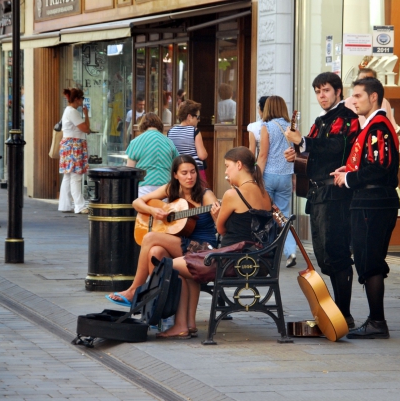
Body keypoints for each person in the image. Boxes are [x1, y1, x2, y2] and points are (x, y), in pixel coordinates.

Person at [153, 146, 272, 339]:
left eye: (227, 166)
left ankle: (180, 324)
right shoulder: (265, 194)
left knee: (170, 265)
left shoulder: (233, 195)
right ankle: (186, 324)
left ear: (239, 165)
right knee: (186, 262)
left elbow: (221, 230)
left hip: (231, 261)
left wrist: (217, 216)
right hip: (258, 261)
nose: (225, 171)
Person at [106, 155, 218, 337]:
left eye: (192, 172)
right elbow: (137, 202)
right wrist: (153, 211)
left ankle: (134, 289)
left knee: (150, 238)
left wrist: (216, 214)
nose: (189, 177)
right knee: (156, 251)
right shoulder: (170, 190)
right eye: (184, 173)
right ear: (175, 175)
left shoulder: (206, 195)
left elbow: (221, 225)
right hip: (181, 243)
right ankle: (167, 314)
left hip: (203, 247)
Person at [283, 72, 360, 329]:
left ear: (338, 91)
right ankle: (335, 312)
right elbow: (314, 151)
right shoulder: (320, 120)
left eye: (325, 90)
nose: (321, 96)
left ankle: (344, 314)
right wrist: (298, 155)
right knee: (324, 255)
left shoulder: (347, 118)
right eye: (317, 91)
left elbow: (336, 147)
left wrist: (303, 141)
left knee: (336, 253)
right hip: (317, 195)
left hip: (336, 196)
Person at [332, 77, 400, 339]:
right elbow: (370, 162)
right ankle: (375, 320)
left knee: (369, 261)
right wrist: (348, 170)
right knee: (366, 259)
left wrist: (348, 178)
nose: (353, 101)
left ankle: (377, 321)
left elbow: (378, 166)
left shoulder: (378, 126)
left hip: (374, 203)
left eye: (358, 96)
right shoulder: (373, 125)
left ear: (374, 98)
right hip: (370, 201)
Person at [256, 96, 297, 267]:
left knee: (265, 215)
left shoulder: (267, 127)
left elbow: (263, 155)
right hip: (286, 176)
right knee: (283, 216)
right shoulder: (291, 127)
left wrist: (257, 176)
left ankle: (266, 252)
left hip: (269, 177)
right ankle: (291, 251)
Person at [125, 113, 179, 197]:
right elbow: (177, 165)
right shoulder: (169, 142)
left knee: (143, 210)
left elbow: (130, 170)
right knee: (164, 210)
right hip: (165, 186)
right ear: (160, 125)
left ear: (142, 124)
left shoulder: (135, 142)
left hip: (144, 186)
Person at [58, 88, 91, 214]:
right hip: (74, 145)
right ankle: (80, 205)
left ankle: (64, 205)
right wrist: (86, 115)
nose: (82, 100)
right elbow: (86, 129)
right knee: (76, 176)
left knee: (68, 176)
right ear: (77, 99)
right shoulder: (73, 112)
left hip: (68, 145)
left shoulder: (68, 111)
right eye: (82, 98)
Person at [167, 100, 208, 182]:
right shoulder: (194, 131)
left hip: (179, 170)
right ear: (189, 116)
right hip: (195, 170)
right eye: (197, 117)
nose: (199, 120)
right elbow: (202, 156)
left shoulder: (170, 131)